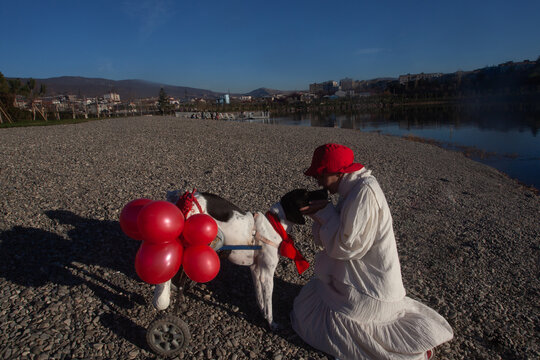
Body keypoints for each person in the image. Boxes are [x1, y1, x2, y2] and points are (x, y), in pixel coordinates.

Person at [291, 143, 453, 360]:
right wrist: (322, 212)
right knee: (311, 296)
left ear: (338, 172)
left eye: (320, 175)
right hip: (371, 282)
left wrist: (326, 212)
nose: (318, 182)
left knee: (309, 316)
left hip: (373, 292)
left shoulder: (364, 194)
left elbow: (346, 248)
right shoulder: (354, 188)